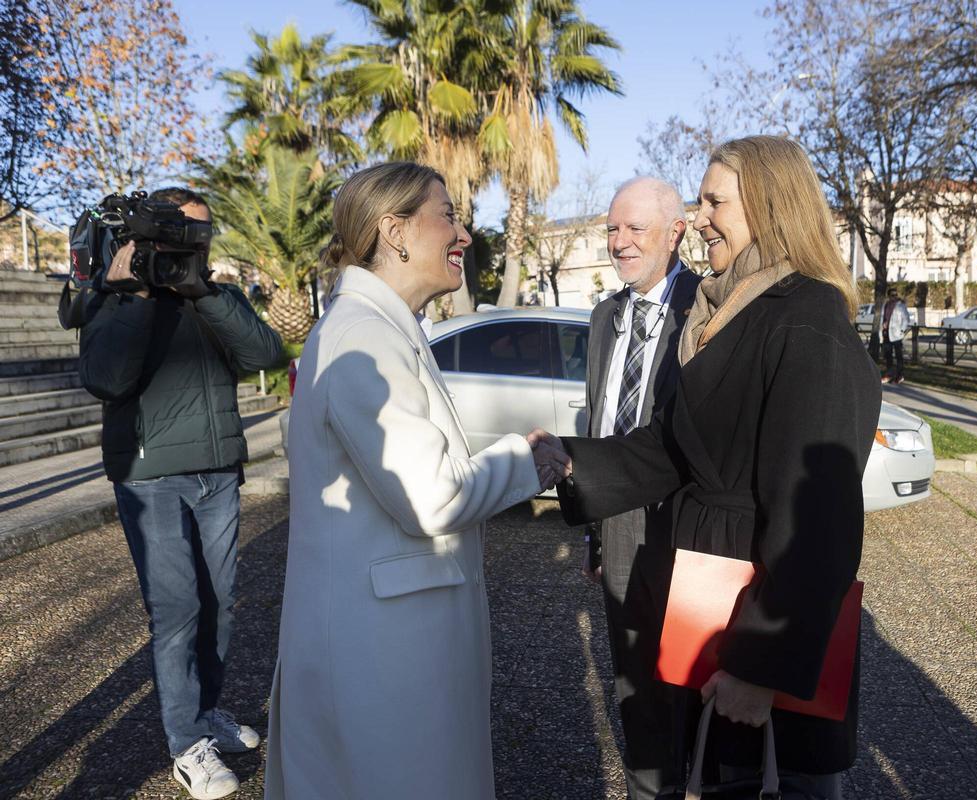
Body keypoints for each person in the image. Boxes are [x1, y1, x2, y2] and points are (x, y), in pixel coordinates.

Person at [548, 136, 881, 798]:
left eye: (713, 202)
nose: (699, 219)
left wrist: (763, 665)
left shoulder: (807, 320)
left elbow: (819, 522)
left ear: (769, 207)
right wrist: (567, 462)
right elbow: (672, 448)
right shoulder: (735, 312)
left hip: (761, 625)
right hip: (716, 598)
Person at [265, 161, 568, 800]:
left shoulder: (383, 329)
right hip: (381, 659)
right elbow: (431, 498)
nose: (463, 233)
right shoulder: (364, 336)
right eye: (448, 214)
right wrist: (526, 460)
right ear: (395, 231)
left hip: (391, 646)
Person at [78, 187, 283, 800]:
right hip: (149, 476)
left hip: (217, 467)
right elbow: (107, 378)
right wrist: (137, 294)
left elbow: (265, 354)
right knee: (176, 612)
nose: (196, 241)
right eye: (184, 231)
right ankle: (186, 746)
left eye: (204, 230)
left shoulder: (217, 294)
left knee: (219, 602)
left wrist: (204, 292)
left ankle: (205, 713)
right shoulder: (111, 296)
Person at [583, 176, 702, 800]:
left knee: (692, 682)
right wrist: (595, 535)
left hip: (686, 525)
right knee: (635, 683)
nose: (619, 242)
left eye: (634, 228)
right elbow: (600, 422)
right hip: (619, 523)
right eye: (611, 228)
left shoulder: (705, 308)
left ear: (675, 230)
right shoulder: (605, 316)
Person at [882, 286, 911, 384]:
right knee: (888, 356)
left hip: (897, 335)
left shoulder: (900, 306)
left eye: (895, 295)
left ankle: (900, 375)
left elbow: (906, 319)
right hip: (887, 334)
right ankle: (889, 374)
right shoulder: (886, 305)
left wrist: (901, 331)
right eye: (892, 295)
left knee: (899, 356)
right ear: (889, 296)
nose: (894, 297)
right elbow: (884, 318)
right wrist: (883, 325)